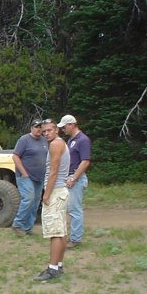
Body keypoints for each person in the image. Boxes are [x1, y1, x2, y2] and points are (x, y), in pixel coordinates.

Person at [34, 119, 70, 282]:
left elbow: (54, 171)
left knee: (55, 232)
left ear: (57, 130)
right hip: (61, 190)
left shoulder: (55, 144)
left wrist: (46, 194)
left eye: (49, 130)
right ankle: (58, 265)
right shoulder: (60, 143)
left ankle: (52, 269)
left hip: (56, 191)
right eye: (44, 131)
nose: (46, 133)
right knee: (61, 231)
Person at [58, 115, 91, 248]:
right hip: (69, 177)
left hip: (76, 178)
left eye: (64, 127)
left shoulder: (83, 140)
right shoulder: (72, 140)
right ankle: (71, 236)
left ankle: (76, 239)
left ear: (71, 125)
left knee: (74, 209)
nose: (63, 130)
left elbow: (85, 161)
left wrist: (74, 178)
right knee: (68, 208)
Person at [11, 119, 48, 236]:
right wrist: (24, 173)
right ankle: (17, 224)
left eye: (40, 127)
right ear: (31, 128)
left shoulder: (44, 140)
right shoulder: (24, 140)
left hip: (39, 177)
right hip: (25, 176)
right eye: (36, 127)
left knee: (36, 202)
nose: (38, 129)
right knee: (28, 199)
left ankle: (27, 228)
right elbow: (15, 156)